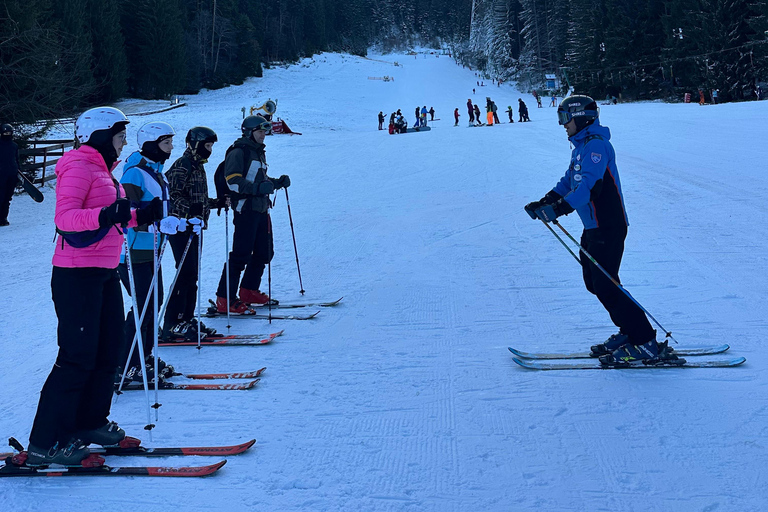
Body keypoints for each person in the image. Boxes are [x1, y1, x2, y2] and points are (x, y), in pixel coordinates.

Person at [26, 107, 165, 466]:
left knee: (107, 351)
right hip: (76, 275)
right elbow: (66, 219)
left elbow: (111, 214)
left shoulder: (104, 171)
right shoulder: (78, 166)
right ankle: (46, 441)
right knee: (77, 357)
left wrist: (137, 215)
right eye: (119, 136)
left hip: (103, 271)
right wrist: (110, 214)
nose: (122, 142)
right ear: (102, 135)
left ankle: (90, 423)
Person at [523, 95, 678, 367]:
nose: (562, 125)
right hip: (593, 227)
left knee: (607, 285)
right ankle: (630, 332)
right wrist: (545, 201)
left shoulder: (596, 147)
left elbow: (588, 190)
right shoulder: (581, 147)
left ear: (581, 117)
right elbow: (568, 181)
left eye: (564, 118)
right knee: (595, 284)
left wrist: (557, 210)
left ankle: (645, 342)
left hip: (609, 226)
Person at [116, 122, 178, 382]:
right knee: (143, 306)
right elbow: (126, 214)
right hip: (132, 250)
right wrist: (154, 223)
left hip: (152, 248)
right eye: (166, 143)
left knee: (154, 303)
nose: (171, 148)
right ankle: (127, 363)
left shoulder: (157, 173)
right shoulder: (134, 174)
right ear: (152, 144)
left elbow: (160, 208)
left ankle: (145, 354)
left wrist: (176, 221)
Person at [215, 115, 289, 312]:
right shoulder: (239, 152)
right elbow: (233, 181)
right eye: (260, 131)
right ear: (249, 132)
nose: (264, 134)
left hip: (261, 209)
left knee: (265, 252)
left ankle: (249, 290)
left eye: (265, 131)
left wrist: (276, 183)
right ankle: (225, 298)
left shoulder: (258, 152)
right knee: (240, 255)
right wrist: (258, 189)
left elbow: (259, 179)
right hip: (245, 210)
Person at [161, 126, 218, 341]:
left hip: (195, 226)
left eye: (211, 146)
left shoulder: (197, 166)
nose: (209, 150)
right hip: (181, 227)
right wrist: (189, 210)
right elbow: (170, 195)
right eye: (207, 145)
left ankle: (185, 318)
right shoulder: (182, 165)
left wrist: (214, 203)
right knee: (185, 273)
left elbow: (197, 200)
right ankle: (173, 322)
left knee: (191, 275)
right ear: (194, 144)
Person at [0, 123, 21, 226]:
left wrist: (19, 174)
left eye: (9, 133)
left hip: (11, 175)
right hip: (1, 175)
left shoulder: (14, 146)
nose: (7, 134)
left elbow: (17, 160)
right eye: (5, 133)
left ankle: (3, 218)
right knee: (1, 197)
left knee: (7, 198)